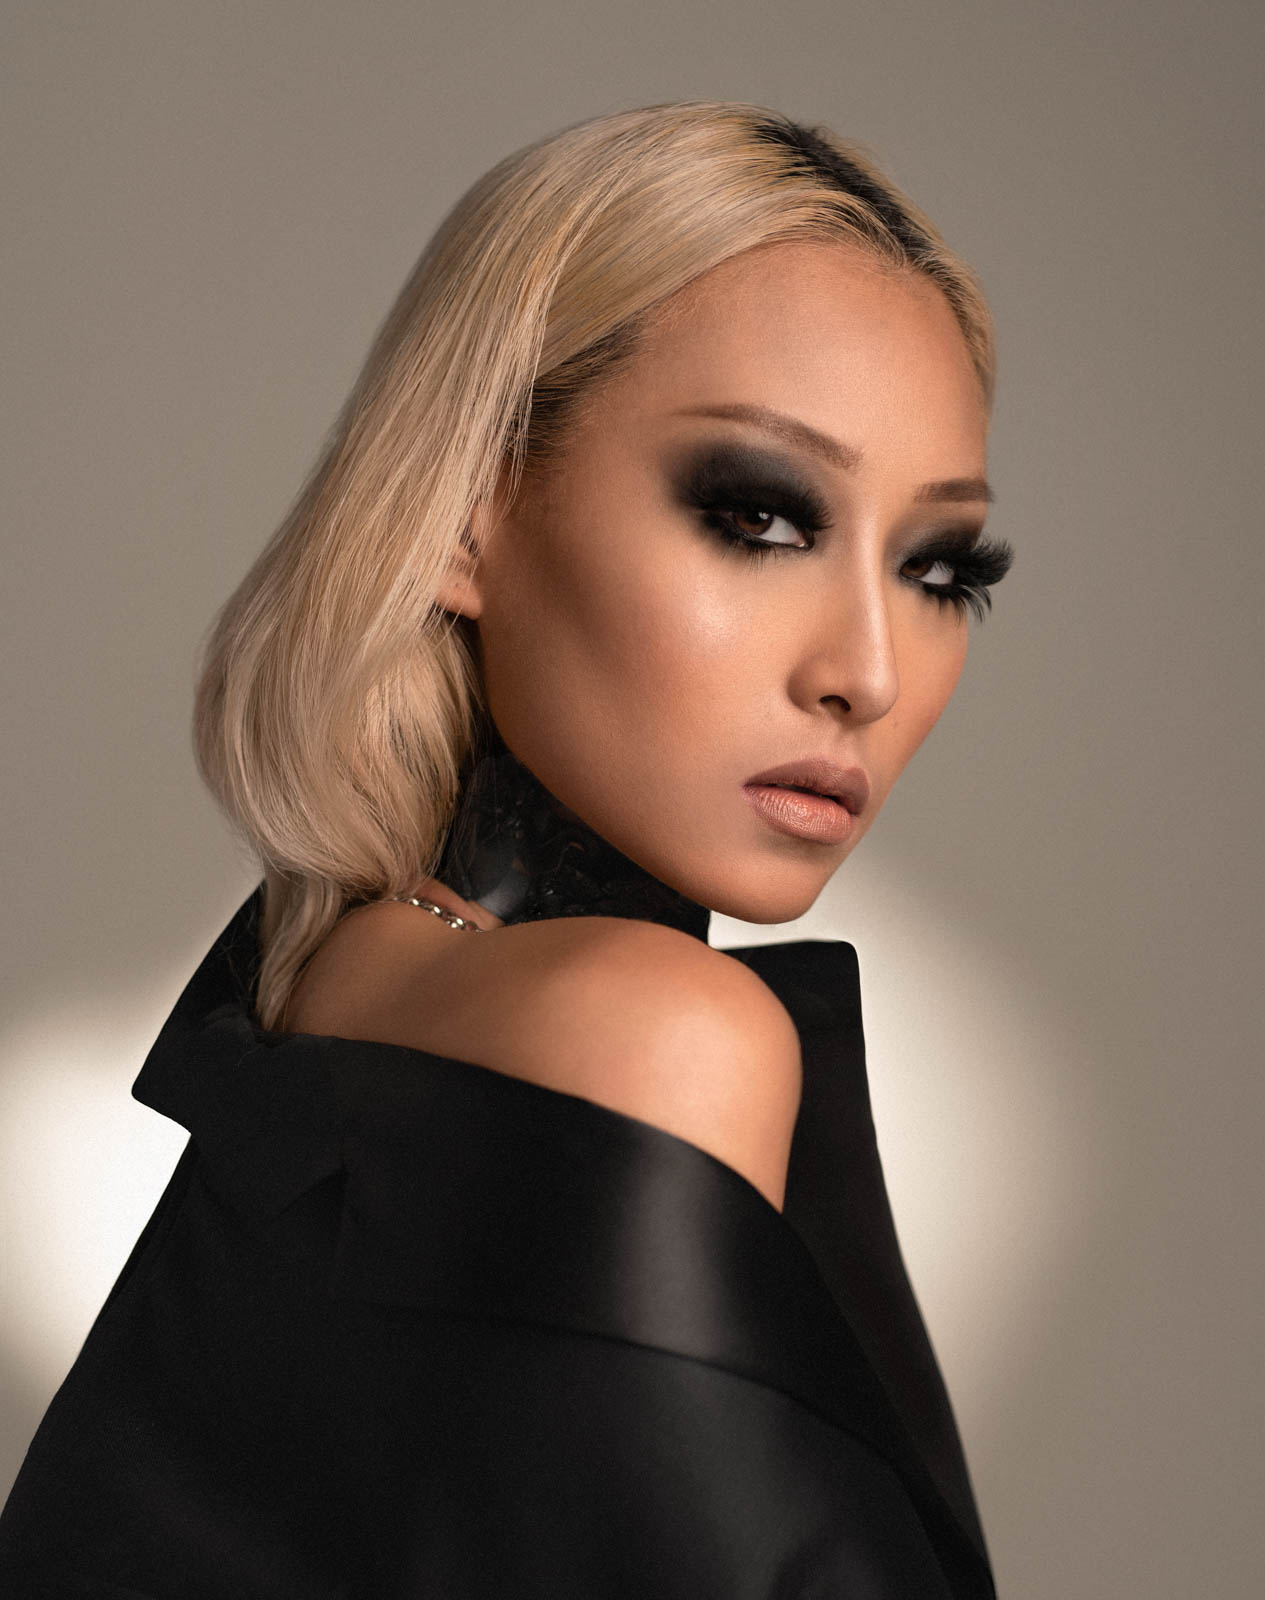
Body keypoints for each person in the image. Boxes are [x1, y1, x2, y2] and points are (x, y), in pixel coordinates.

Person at [0, 100, 1014, 1598]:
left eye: (939, 568)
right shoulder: (650, 1034)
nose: (866, 669)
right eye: (758, 516)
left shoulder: (335, 988)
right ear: (469, 516)